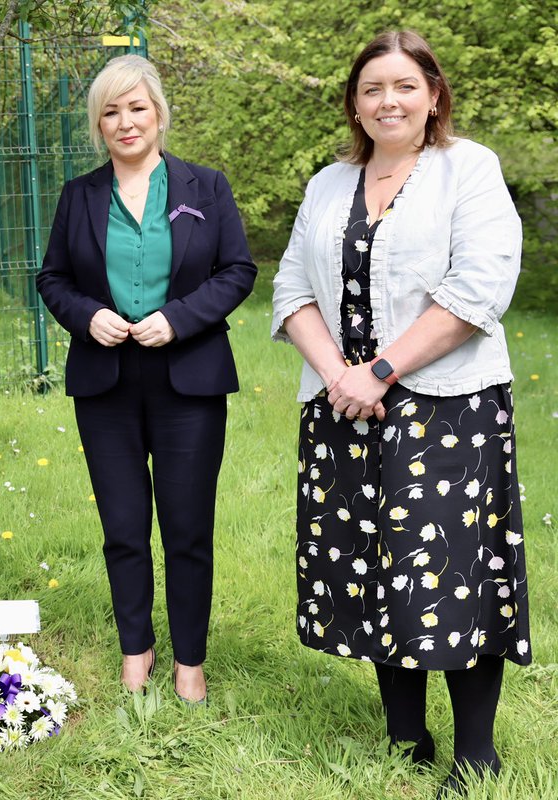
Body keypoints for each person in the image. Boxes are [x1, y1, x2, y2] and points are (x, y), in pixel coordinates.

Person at [271, 30, 530, 799]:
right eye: (373, 88)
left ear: (434, 95)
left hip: (448, 411)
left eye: (405, 86)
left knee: (453, 572)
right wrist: (340, 377)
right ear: (355, 102)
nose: (389, 101)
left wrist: (381, 369)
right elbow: (291, 289)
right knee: (371, 565)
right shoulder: (327, 183)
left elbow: (479, 288)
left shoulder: (468, 170)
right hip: (346, 409)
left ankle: (476, 754)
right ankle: (405, 739)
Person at [36, 54, 256, 700]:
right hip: (105, 381)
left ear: (159, 113)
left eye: (137, 107)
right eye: (111, 111)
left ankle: (191, 658)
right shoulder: (79, 195)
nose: (125, 122)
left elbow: (237, 271)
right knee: (123, 525)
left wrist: (179, 319)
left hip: (188, 380)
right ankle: (138, 649)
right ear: (98, 125)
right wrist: (88, 317)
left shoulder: (205, 187)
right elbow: (53, 279)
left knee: (187, 526)